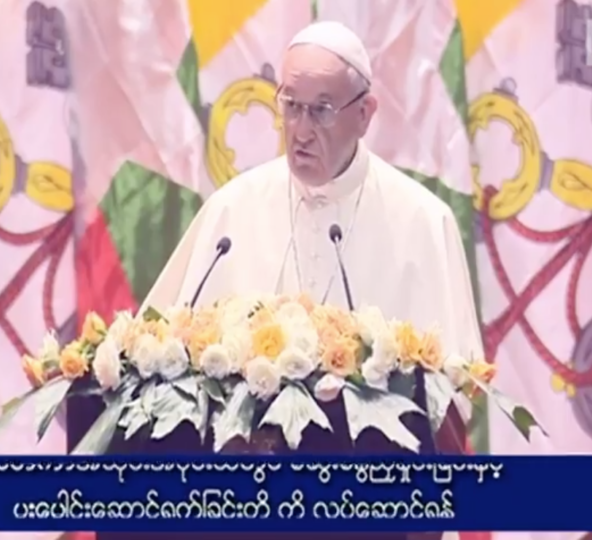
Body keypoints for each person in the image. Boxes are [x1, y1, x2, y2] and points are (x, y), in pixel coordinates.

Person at [104, 21, 474, 540]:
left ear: (365, 114)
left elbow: (450, 404)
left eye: (321, 109)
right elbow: (157, 371)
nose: (300, 129)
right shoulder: (233, 208)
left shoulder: (422, 221)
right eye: (290, 105)